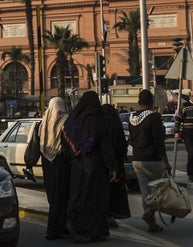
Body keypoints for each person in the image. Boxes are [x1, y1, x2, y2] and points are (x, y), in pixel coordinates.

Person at [61, 91, 118, 243]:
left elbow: (65, 140)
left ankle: (78, 228)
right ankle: (95, 231)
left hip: (78, 165)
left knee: (80, 196)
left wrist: (72, 158)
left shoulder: (73, 119)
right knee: (96, 198)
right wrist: (112, 167)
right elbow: (105, 144)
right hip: (95, 165)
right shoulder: (98, 118)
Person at [128, 89, 171, 233]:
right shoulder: (154, 118)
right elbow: (159, 141)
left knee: (145, 190)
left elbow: (131, 140)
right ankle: (150, 213)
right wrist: (165, 160)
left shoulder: (132, 118)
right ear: (151, 102)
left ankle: (151, 221)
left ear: (139, 102)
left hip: (137, 159)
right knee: (159, 189)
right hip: (152, 159)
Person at [37, 97, 71, 240]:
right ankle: (53, 230)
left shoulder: (43, 122)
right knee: (61, 196)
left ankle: (60, 227)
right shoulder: (66, 121)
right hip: (61, 162)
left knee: (53, 196)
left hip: (46, 161)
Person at [102, 103, 131, 226]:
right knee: (116, 191)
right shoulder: (116, 124)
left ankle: (104, 215)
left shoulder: (100, 125)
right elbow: (122, 144)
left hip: (103, 164)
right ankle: (112, 216)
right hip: (117, 165)